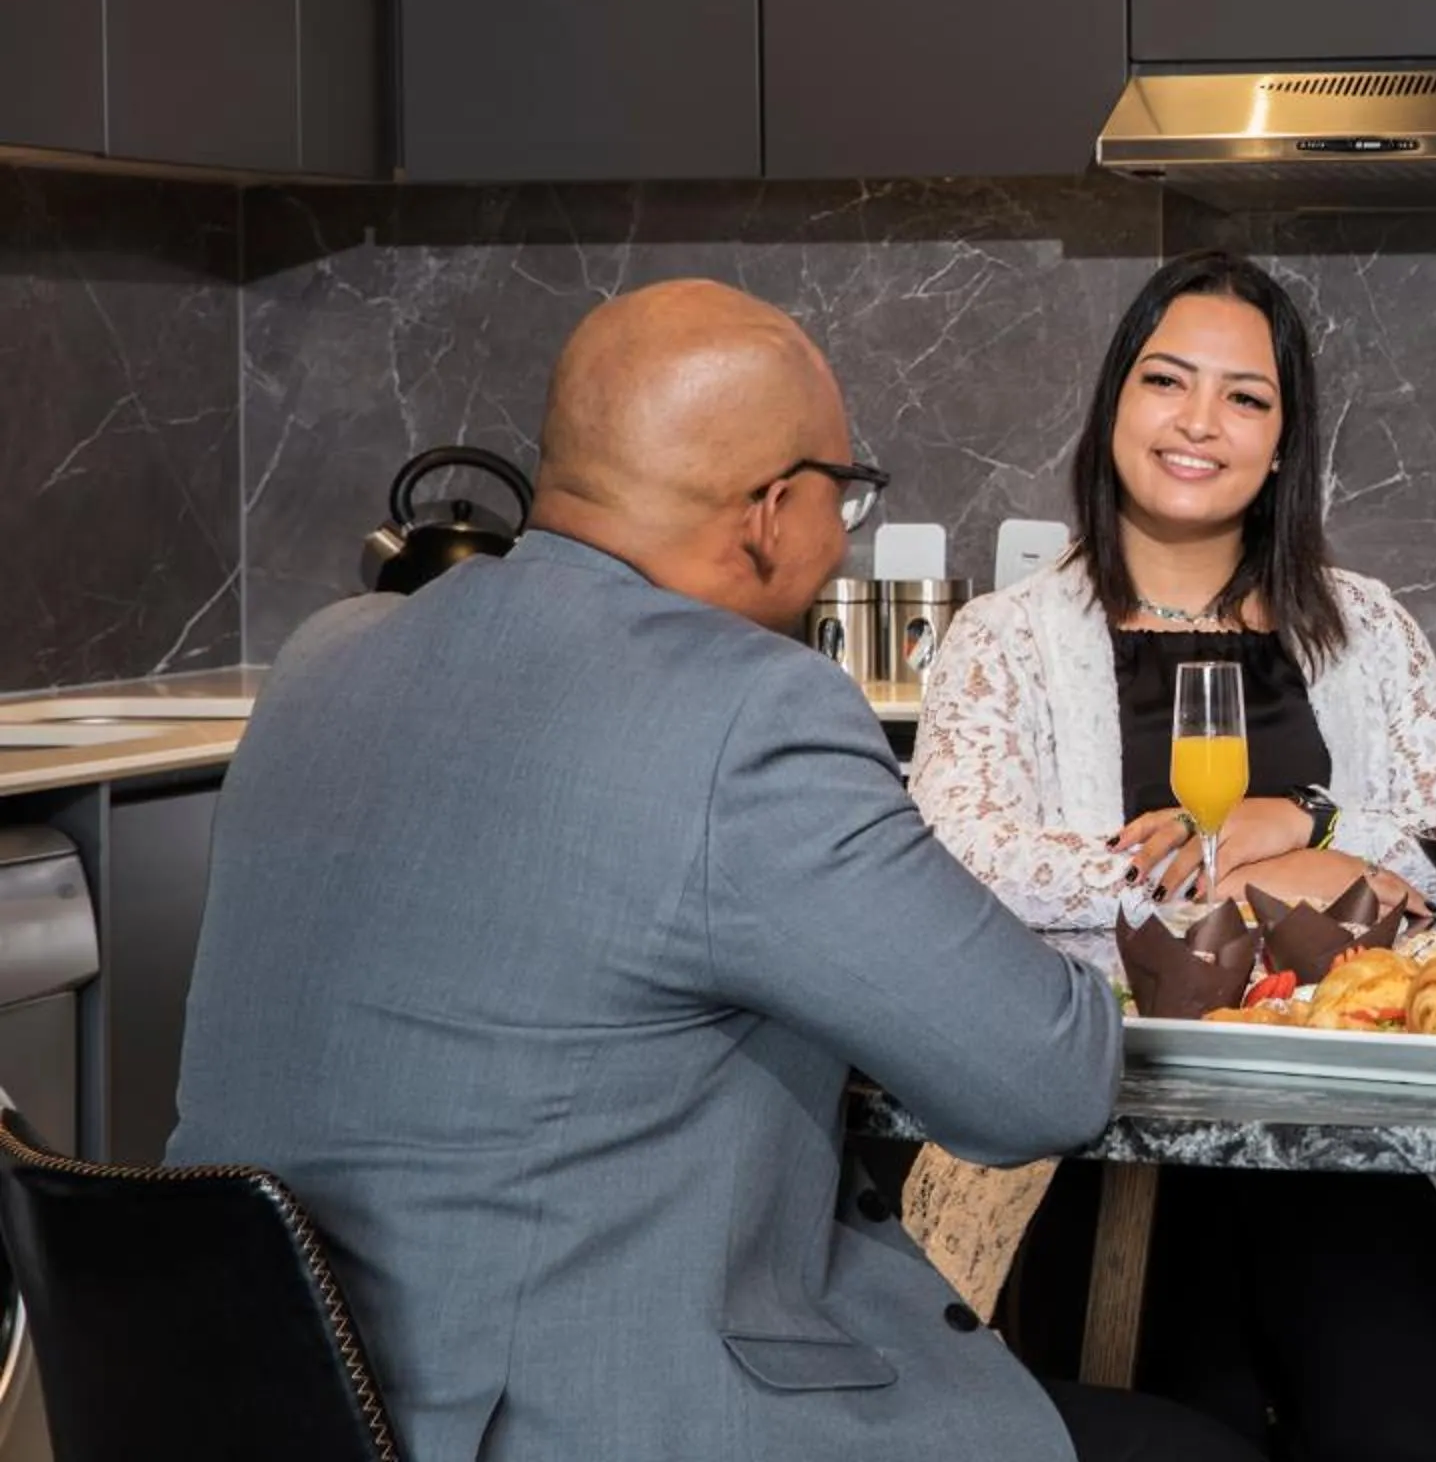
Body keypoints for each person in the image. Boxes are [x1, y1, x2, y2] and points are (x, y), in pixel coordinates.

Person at [170, 281, 1255, 1462]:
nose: (840, 531)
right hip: (580, 1418)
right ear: (773, 510)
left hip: (261, 1398)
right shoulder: (751, 711)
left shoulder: (326, 656)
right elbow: (1041, 1081)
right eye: (847, 493)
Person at [909, 250, 1436, 1462]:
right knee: (1181, 1429)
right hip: (1101, 1126)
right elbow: (959, 855)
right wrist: (1203, 881)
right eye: (1167, 380)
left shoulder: (1367, 623)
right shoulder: (1005, 637)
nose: (1198, 422)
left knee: (1417, 1428)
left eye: (1245, 396)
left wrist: (1316, 822)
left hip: (1342, 1131)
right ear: (1116, 403)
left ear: (1283, 442)